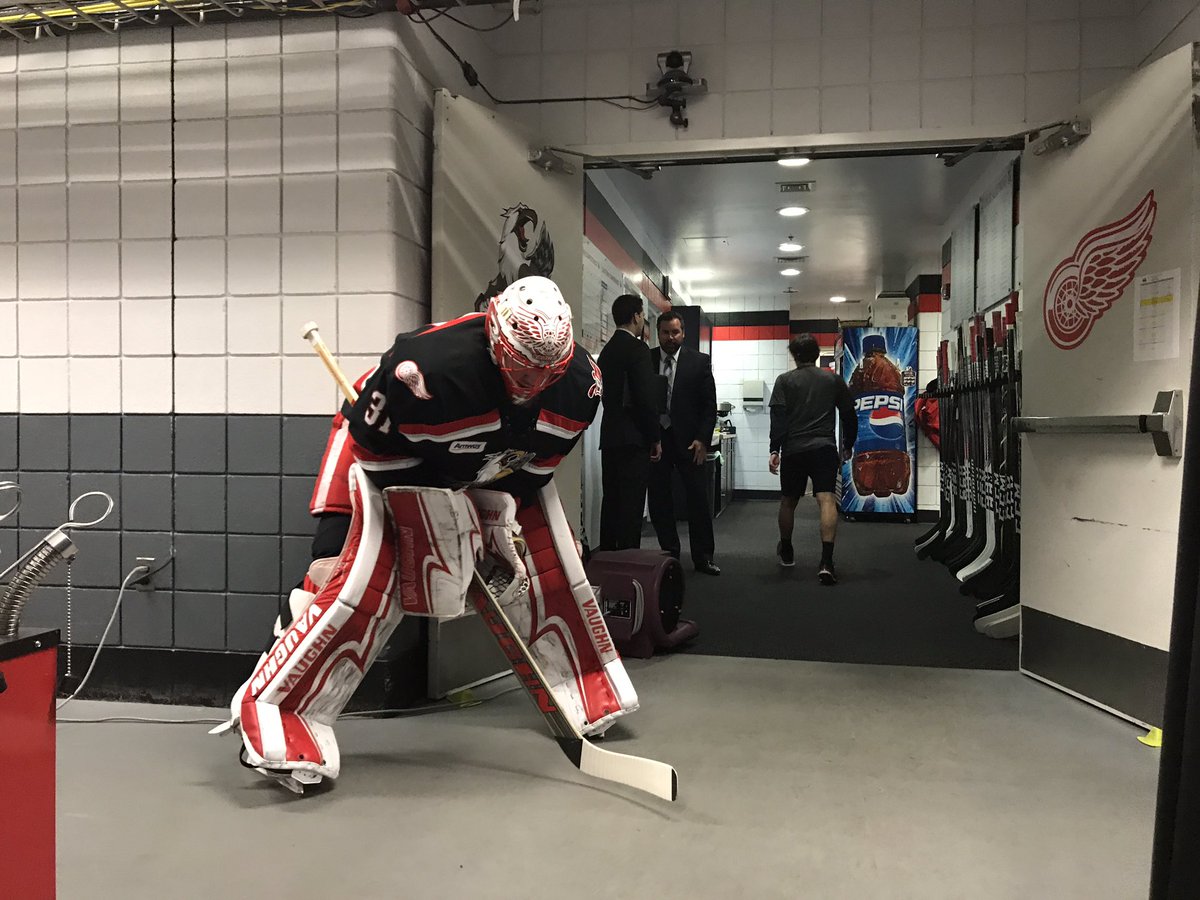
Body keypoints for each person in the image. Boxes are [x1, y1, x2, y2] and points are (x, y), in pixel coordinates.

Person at [216, 276, 640, 792]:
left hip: (479, 463)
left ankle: (587, 683)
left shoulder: (580, 385)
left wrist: (495, 520)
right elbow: (373, 456)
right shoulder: (422, 367)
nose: (530, 385)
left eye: (543, 373)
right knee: (336, 578)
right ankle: (275, 711)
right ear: (494, 336)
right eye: (520, 367)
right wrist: (438, 521)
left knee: (554, 556)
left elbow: (532, 471)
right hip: (381, 453)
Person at [768, 333, 857, 585]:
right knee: (826, 499)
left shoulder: (784, 381)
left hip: (794, 449)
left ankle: (786, 550)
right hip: (824, 448)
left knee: (788, 501)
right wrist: (848, 444)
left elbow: (779, 418)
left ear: (794, 355)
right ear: (817, 354)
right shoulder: (833, 379)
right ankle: (827, 562)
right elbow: (849, 413)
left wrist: (775, 449)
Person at [648, 310, 720, 576]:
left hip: (690, 442)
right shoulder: (647, 359)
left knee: (698, 500)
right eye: (665, 332)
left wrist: (703, 438)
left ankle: (703, 557)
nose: (670, 337)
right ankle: (670, 552)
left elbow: (709, 405)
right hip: (657, 441)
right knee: (659, 499)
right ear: (658, 333)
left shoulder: (699, 362)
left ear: (684, 333)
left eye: (675, 332)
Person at [596, 294, 662, 550]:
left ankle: (607, 559)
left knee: (611, 501)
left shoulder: (606, 352)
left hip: (610, 436)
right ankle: (628, 562)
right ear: (636, 316)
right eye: (643, 314)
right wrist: (654, 437)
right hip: (634, 439)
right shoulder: (638, 349)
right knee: (632, 505)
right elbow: (645, 398)